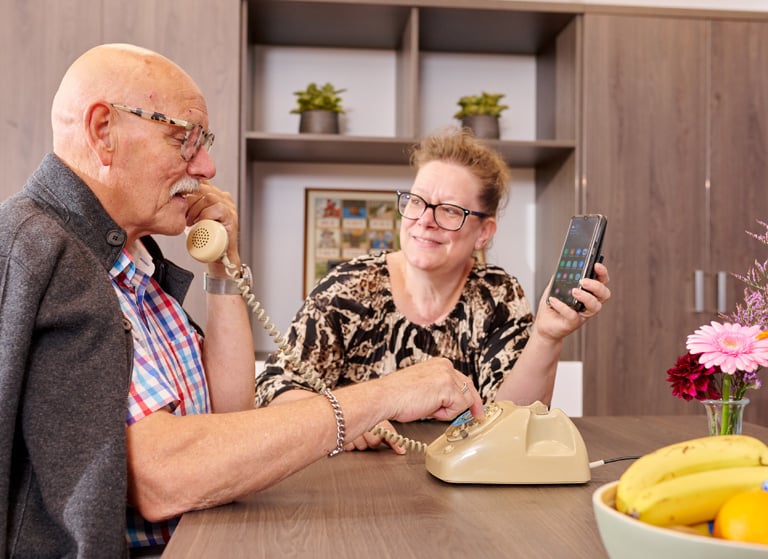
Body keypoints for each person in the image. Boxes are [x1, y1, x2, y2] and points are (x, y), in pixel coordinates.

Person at [0, 44, 484, 558]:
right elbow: (165, 477)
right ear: (103, 132)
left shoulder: (131, 257)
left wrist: (223, 266)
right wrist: (384, 396)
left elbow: (228, 416)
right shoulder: (49, 254)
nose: (206, 166)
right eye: (184, 139)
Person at [255, 127, 611, 453]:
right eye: (416, 201)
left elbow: (512, 422)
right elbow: (273, 389)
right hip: (351, 488)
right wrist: (347, 416)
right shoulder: (348, 288)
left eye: (450, 210)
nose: (424, 220)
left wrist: (547, 335)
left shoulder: (497, 295)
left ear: (484, 232)